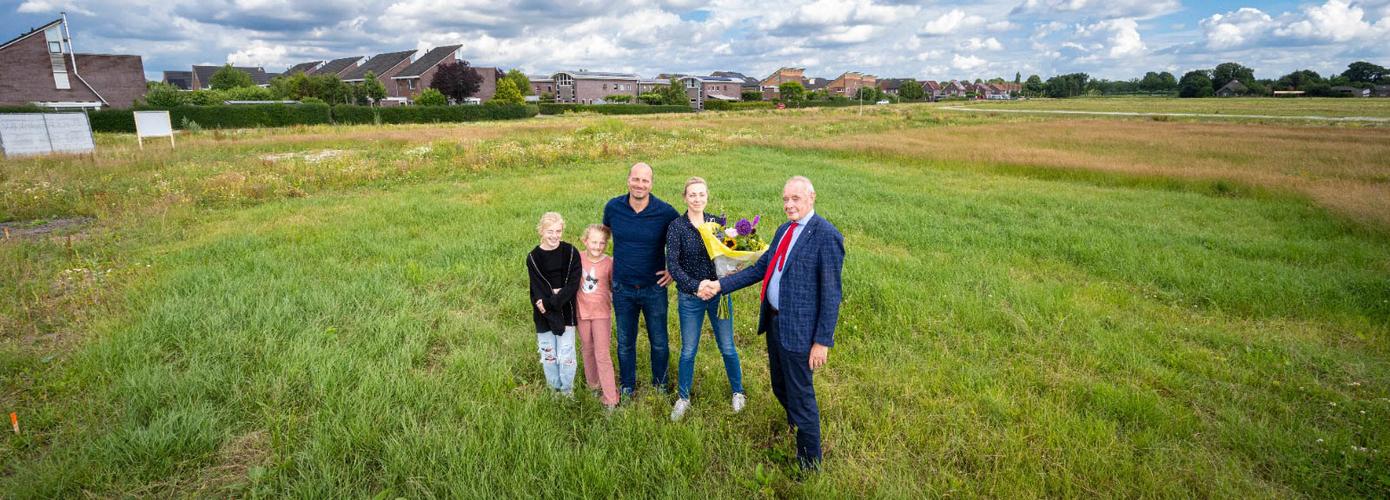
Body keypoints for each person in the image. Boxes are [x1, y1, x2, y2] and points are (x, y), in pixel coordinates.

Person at [700, 176, 844, 470]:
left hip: (801, 332)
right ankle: (796, 426)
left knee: (801, 395)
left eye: (796, 199)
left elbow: (831, 294)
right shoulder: (784, 231)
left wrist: (822, 341)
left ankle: (809, 464)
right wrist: (719, 285)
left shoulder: (826, 235)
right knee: (780, 384)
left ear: (811, 197)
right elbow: (761, 269)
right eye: (785, 199)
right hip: (775, 322)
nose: (789, 205)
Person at [665, 177, 746, 421]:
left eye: (701, 194)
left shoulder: (716, 223)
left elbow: (729, 255)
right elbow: (674, 265)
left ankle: (738, 392)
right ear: (685, 197)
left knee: (728, 346)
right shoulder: (677, 226)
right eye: (692, 194)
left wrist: (727, 276)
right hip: (691, 297)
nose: (697, 198)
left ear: (707, 196)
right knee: (689, 349)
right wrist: (696, 285)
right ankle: (683, 398)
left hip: (719, 295)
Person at [603, 162, 679, 397]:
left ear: (651, 184)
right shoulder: (613, 207)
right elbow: (603, 235)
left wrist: (673, 270)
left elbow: (683, 237)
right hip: (622, 287)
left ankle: (661, 385)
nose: (640, 184)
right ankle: (627, 385)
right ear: (628, 180)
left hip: (653, 288)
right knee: (625, 342)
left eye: (645, 180)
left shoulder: (665, 212)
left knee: (659, 341)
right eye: (636, 179)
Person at [526, 212, 582, 396]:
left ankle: (567, 391)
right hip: (543, 313)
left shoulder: (571, 252)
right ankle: (553, 390)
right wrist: (546, 303)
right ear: (541, 231)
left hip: (566, 310)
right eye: (550, 231)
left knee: (566, 354)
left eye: (558, 231)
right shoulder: (533, 257)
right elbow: (537, 287)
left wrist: (551, 301)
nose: (554, 235)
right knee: (549, 354)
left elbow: (573, 284)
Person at [576, 224, 619, 410]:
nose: (597, 246)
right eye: (593, 242)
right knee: (586, 348)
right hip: (581, 312)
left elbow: (613, 286)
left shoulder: (609, 262)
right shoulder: (577, 258)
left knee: (602, 353)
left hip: (602, 313)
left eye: (602, 243)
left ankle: (610, 397)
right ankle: (593, 384)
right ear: (585, 241)